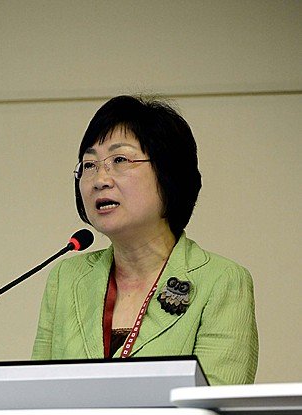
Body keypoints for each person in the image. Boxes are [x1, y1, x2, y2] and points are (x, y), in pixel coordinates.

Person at [31, 95, 258, 385]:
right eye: (89, 165)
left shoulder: (222, 281)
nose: (100, 178)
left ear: (168, 175)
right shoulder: (66, 279)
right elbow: (37, 395)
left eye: (120, 160)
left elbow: (211, 412)